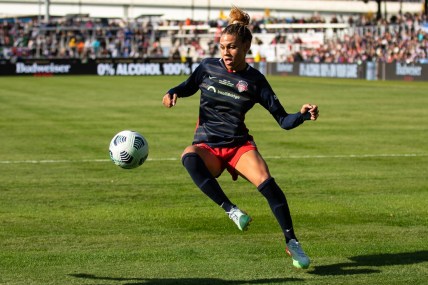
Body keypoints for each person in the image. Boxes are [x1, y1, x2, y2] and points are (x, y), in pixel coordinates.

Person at [162, 6, 319, 270]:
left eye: (232, 47)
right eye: (223, 47)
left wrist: (302, 115)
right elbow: (186, 87)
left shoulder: (255, 81)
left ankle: (292, 242)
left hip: (237, 146)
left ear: (246, 47)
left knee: (268, 184)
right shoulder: (207, 68)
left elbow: (283, 120)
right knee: (188, 157)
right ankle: (231, 210)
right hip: (207, 146)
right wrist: (172, 92)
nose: (226, 53)